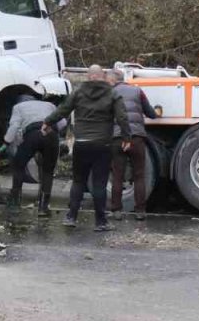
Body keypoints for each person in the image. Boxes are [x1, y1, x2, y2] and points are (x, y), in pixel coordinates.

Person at [42, 65, 131, 232]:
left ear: (89, 76)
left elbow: (63, 110)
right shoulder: (113, 93)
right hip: (103, 144)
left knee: (78, 181)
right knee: (99, 184)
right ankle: (100, 222)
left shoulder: (78, 92)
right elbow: (122, 116)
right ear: (103, 76)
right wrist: (127, 137)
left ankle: (71, 217)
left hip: (81, 143)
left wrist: (47, 122)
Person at [107, 68, 158, 221]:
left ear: (112, 80)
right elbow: (150, 113)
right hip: (136, 138)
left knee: (117, 175)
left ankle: (116, 210)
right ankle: (140, 211)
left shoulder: (110, 93)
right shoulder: (137, 91)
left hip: (117, 138)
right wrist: (156, 113)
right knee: (139, 175)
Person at [2, 94, 64, 216]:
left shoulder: (18, 107)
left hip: (32, 134)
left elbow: (14, 127)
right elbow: (62, 123)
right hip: (51, 134)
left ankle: (15, 204)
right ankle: (43, 207)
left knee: (19, 166)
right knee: (47, 171)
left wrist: (6, 142)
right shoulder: (49, 105)